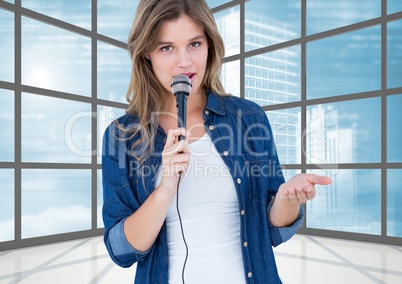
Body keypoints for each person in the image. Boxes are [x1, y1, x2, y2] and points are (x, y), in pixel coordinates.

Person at [102, 0, 332, 283]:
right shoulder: (122, 136)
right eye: (167, 47)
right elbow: (121, 251)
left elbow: (272, 230)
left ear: (210, 45)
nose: (184, 62)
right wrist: (165, 189)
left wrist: (287, 200)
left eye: (195, 44)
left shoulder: (249, 118)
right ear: (147, 53)